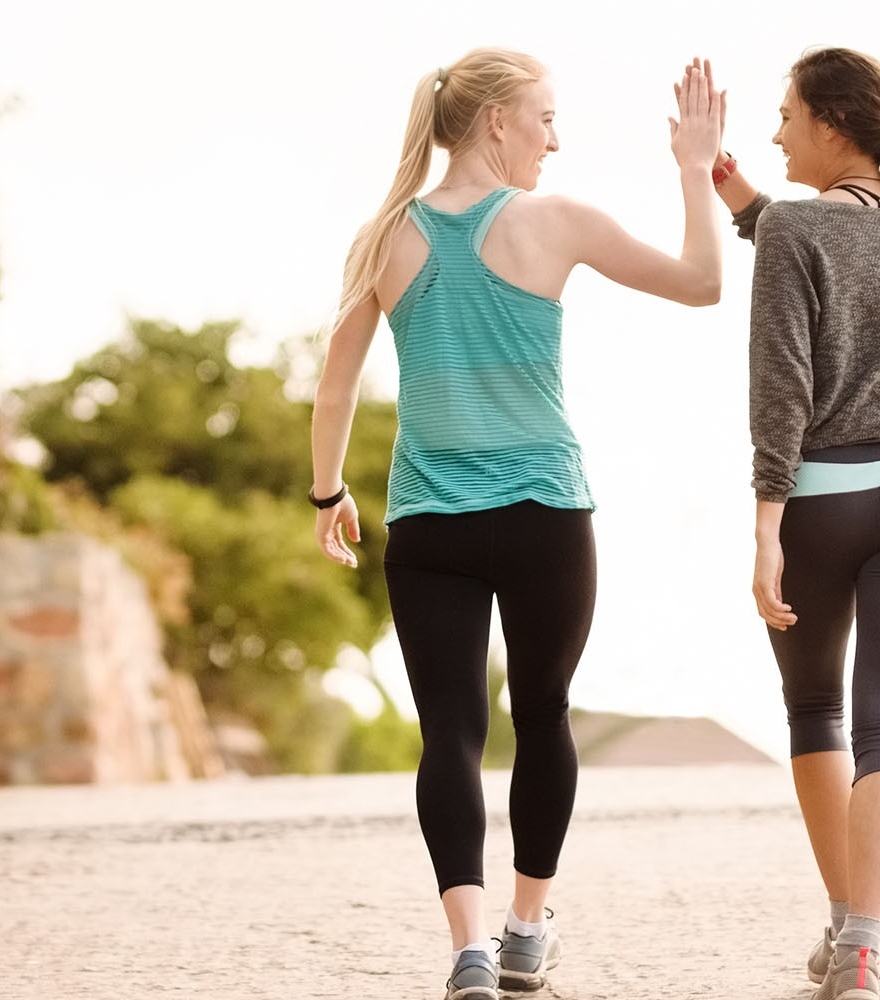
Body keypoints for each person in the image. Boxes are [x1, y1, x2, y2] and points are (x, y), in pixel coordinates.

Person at [305, 48, 728, 1000]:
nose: (554, 137)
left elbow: (334, 383)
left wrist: (329, 494)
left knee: (449, 730)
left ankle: (469, 951)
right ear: (496, 120)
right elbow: (702, 281)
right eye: (544, 116)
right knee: (542, 716)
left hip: (431, 528)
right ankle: (526, 930)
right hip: (545, 514)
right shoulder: (555, 222)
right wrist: (695, 169)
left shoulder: (384, 238)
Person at [709, 46, 880, 1000]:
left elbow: (782, 386)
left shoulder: (795, 233)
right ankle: (862, 940)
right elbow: (827, 242)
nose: (774, 132)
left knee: (818, 712)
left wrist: (766, 526)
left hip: (820, 496)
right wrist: (733, 190)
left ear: (830, 121)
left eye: (784, 114)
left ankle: (849, 930)